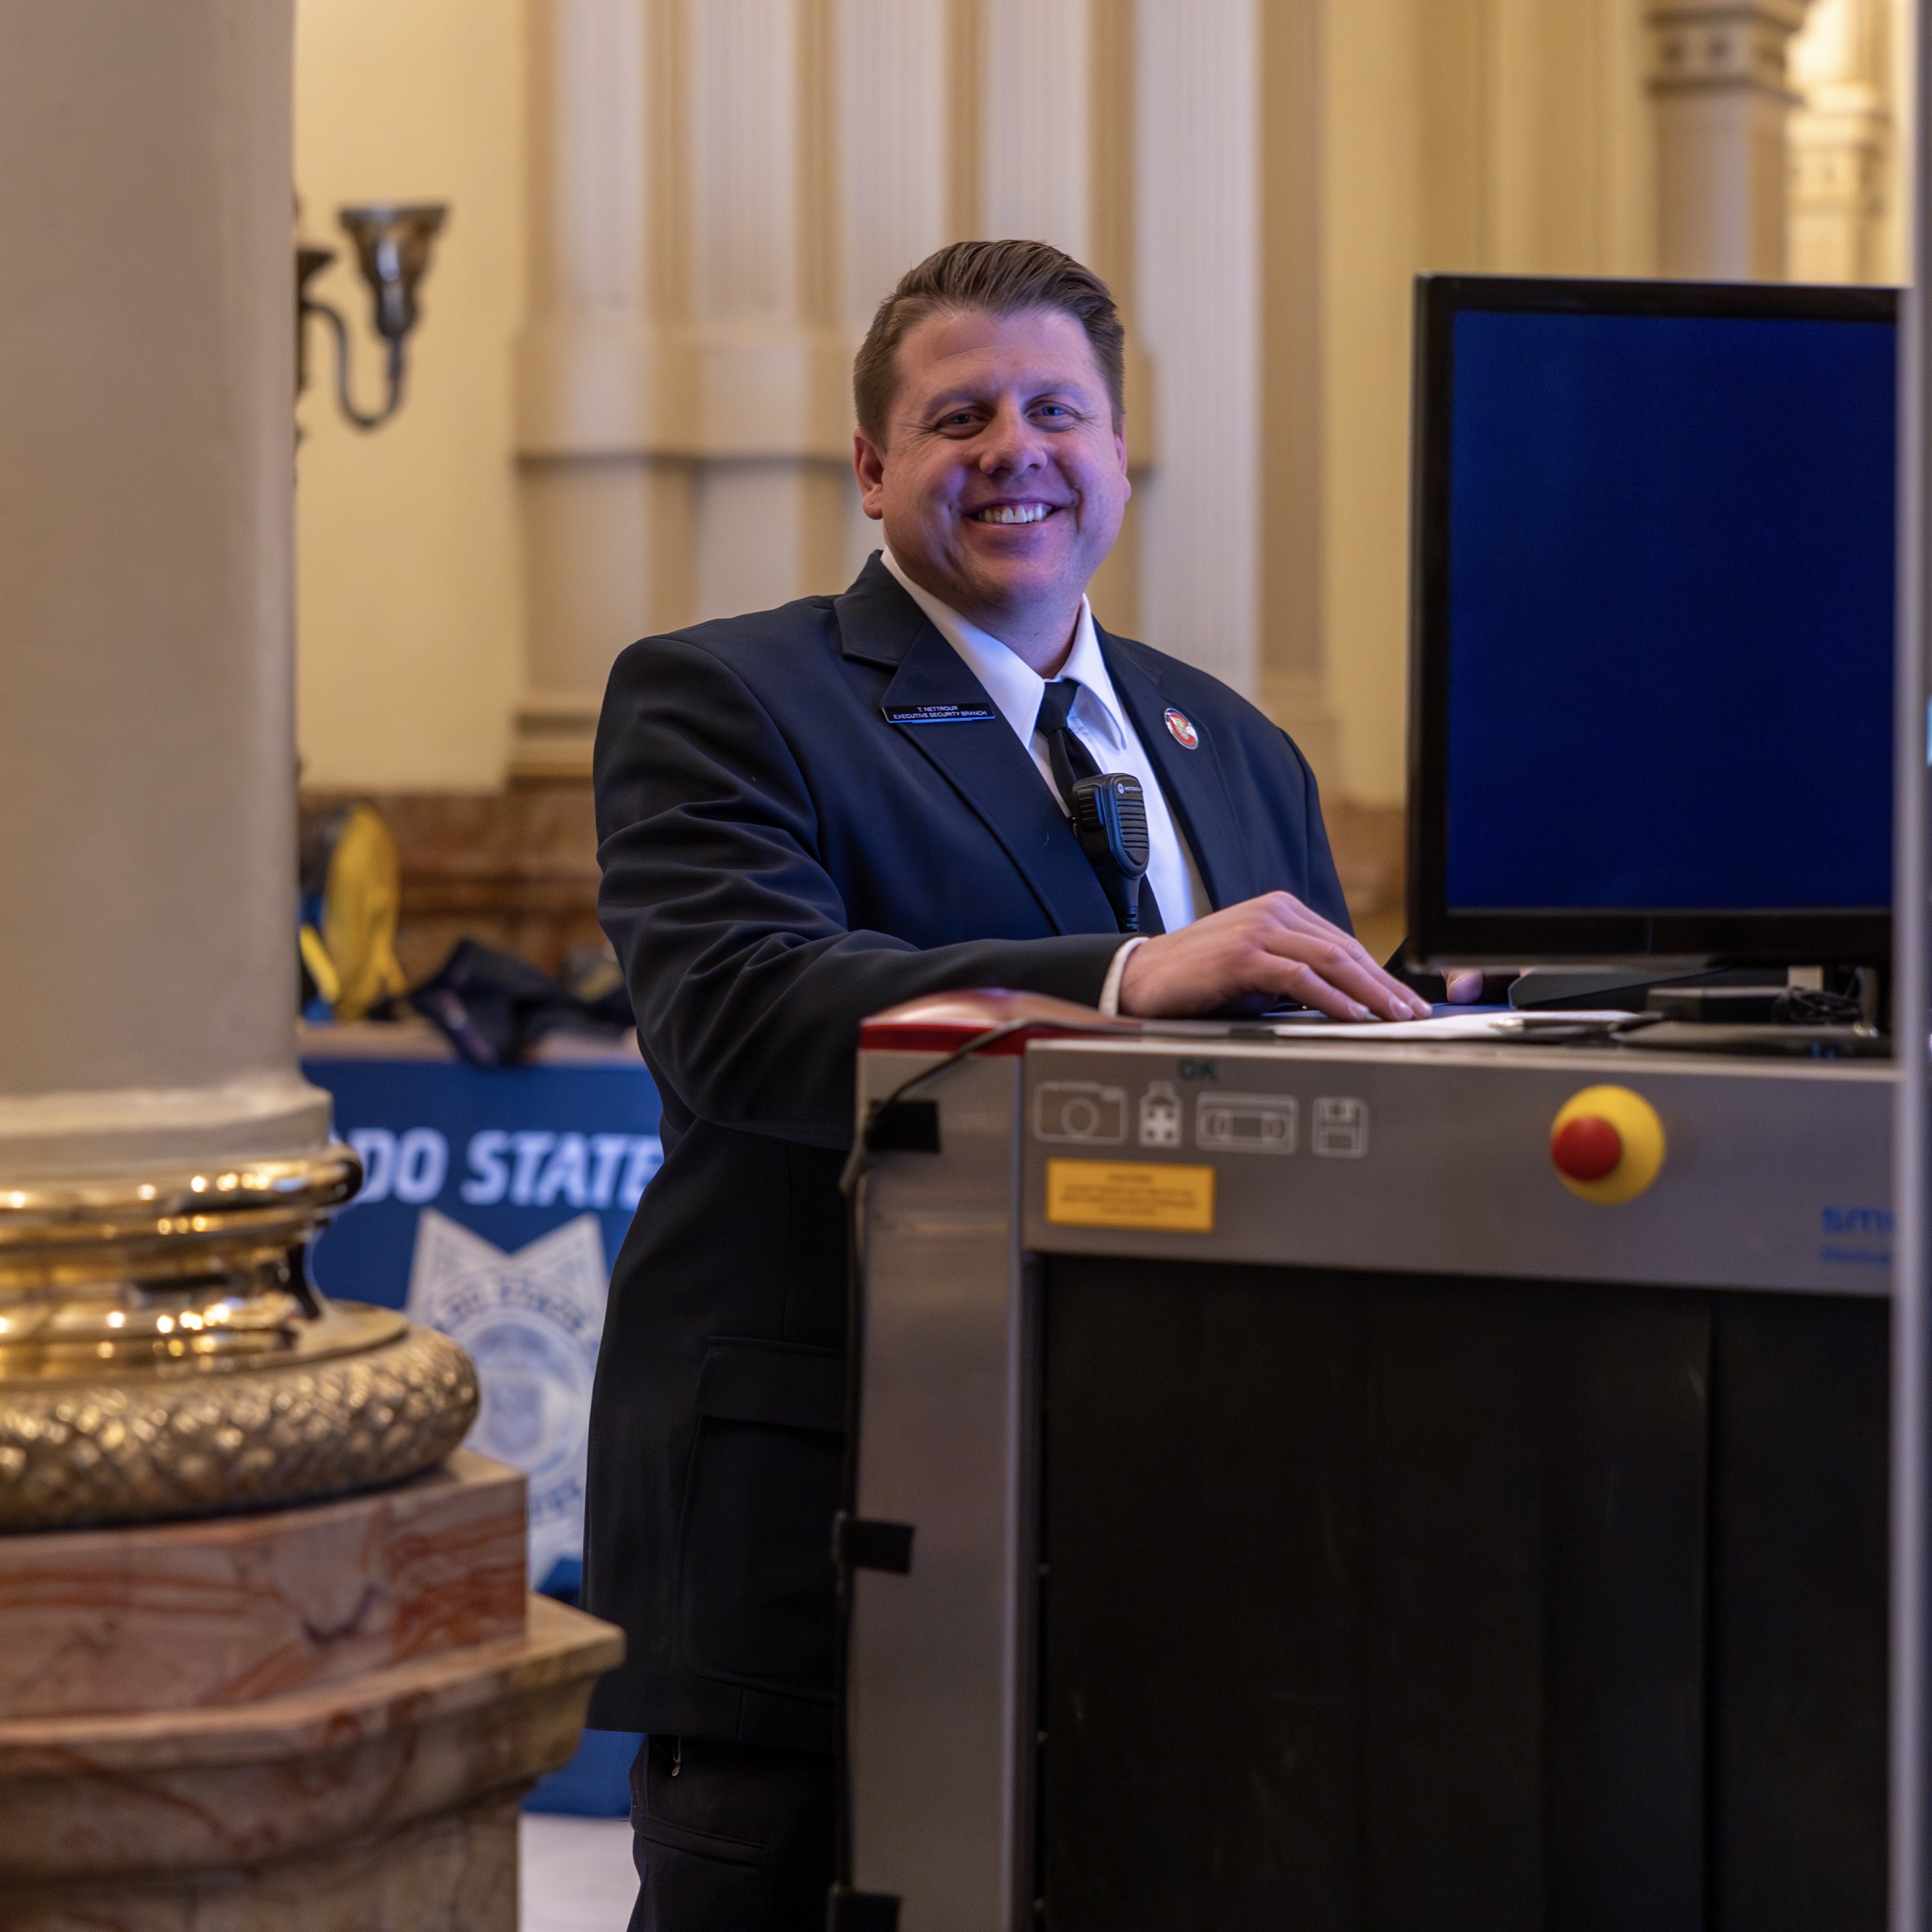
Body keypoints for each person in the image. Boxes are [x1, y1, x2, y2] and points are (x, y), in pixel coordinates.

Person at [587, 239, 1472, 1930]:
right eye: (959, 415)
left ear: (1119, 457)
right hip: (831, 1527)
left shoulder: (1240, 747)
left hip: (1180, 1524)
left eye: (1057, 410)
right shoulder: (726, 698)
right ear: (871, 469)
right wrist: (1135, 978)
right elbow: (741, 1014)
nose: (1017, 449)